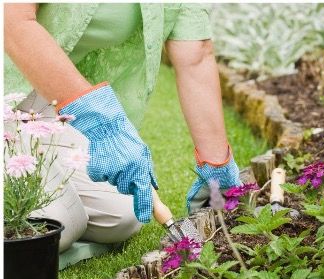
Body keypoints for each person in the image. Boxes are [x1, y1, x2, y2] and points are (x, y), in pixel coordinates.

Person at [4, 3, 242, 252]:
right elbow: (12, 22)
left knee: (123, 215)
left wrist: (217, 167)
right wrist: (98, 119)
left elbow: (197, 55)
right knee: (58, 225)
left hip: (50, 103)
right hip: (8, 88)